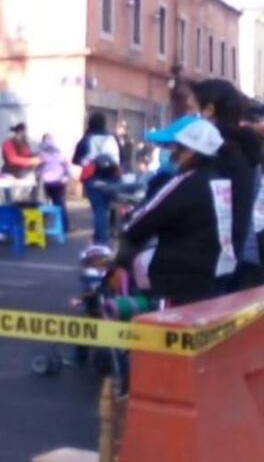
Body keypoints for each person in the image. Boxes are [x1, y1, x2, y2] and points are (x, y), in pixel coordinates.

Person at [121, 120, 232, 305]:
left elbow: (144, 220)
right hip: (216, 270)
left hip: (179, 275)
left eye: (177, 148)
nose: (173, 154)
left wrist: (127, 229)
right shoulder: (222, 181)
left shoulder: (187, 181)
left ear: (190, 151)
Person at [189, 79, 263, 290]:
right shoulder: (247, 148)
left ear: (209, 110)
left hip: (216, 258)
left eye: (191, 109)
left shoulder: (219, 150)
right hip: (243, 253)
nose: (188, 117)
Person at [73, 114, 122, 246]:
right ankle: (99, 236)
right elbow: (121, 157)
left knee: (98, 210)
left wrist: (88, 159)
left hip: (93, 178)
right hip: (112, 178)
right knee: (105, 209)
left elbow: (76, 160)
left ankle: (101, 241)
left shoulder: (86, 139)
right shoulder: (113, 138)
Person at [37, 133, 71, 232]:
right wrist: (66, 177)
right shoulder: (59, 152)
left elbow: (38, 167)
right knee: (60, 203)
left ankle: (42, 226)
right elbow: (66, 166)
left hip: (46, 181)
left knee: (42, 204)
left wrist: (38, 176)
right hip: (59, 181)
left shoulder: (41, 153)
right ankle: (64, 227)